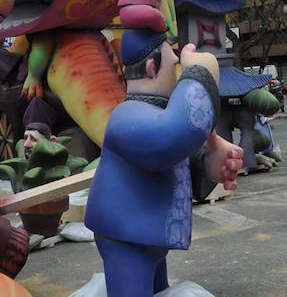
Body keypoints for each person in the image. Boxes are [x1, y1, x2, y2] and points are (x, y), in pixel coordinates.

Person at [85, 29, 243, 296]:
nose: (178, 73)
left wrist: (207, 160)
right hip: (128, 238)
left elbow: (171, 156)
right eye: (175, 67)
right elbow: (175, 134)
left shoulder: (153, 115)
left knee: (157, 289)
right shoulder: (127, 117)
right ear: (151, 67)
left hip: (149, 231)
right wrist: (201, 75)